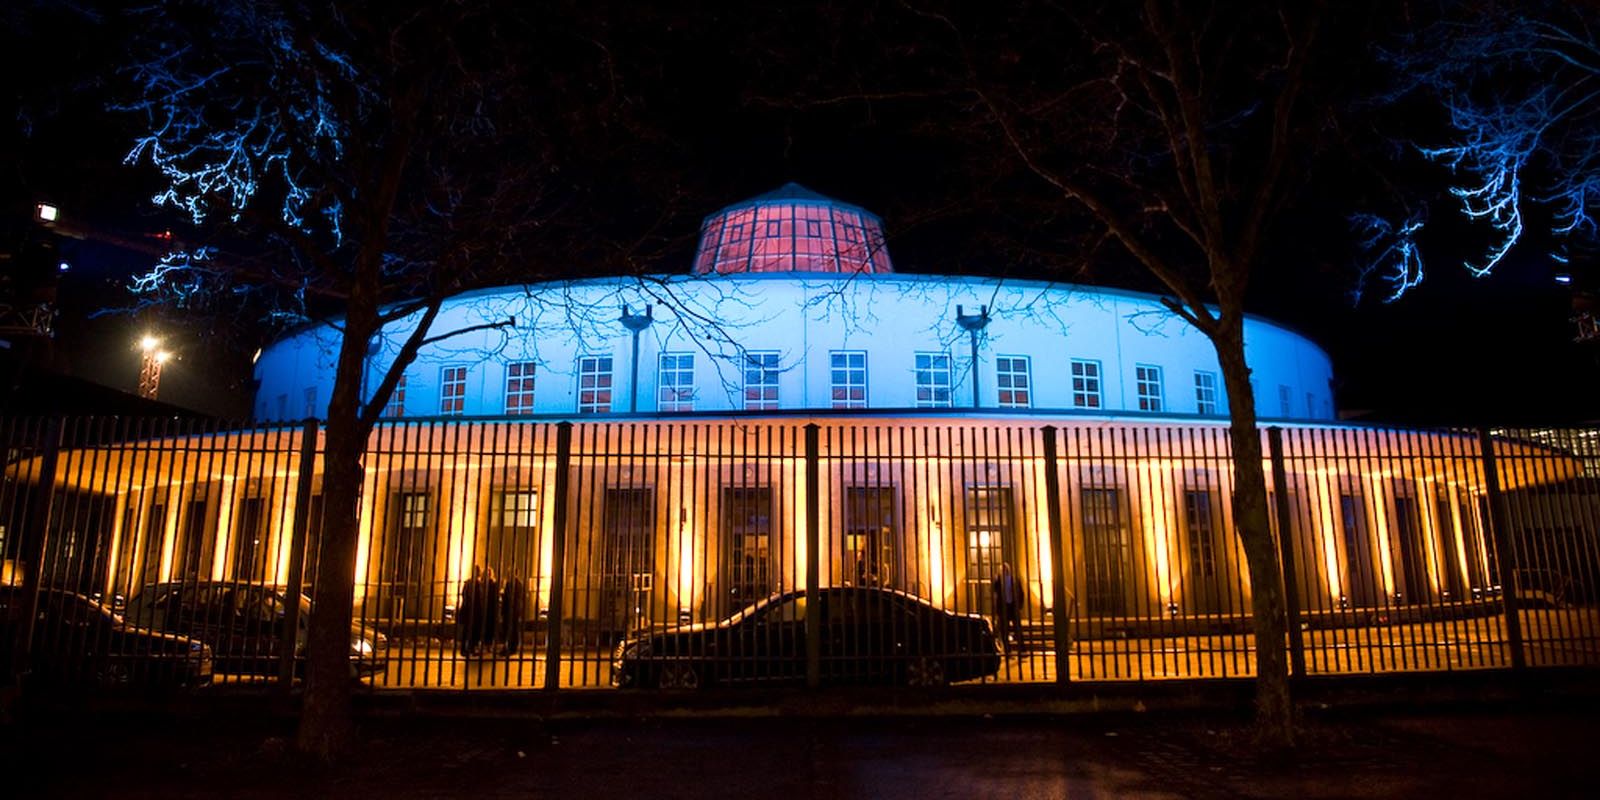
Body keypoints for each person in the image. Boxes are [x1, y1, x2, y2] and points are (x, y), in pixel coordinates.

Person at [991, 562, 1023, 650]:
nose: (1003, 571)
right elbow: (994, 590)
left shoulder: (1014, 579)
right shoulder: (999, 581)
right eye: (1002, 570)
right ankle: (1007, 647)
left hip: (1012, 606)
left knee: (1017, 628)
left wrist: (1019, 605)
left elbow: (1020, 593)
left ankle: (1021, 647)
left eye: (1004, 570)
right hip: (1004, 608)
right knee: (1005, 629)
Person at [499, 571, 528, 656]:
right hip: (512, 610)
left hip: (512, 610)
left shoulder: (515, 584)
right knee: (510, 629)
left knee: (511, 629)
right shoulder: (516, 583)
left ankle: (510, 647)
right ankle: (510, 647)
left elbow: (514, 598)